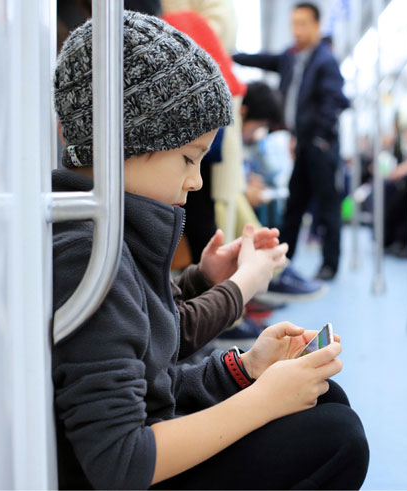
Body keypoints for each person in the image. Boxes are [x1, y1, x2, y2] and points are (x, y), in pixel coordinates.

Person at [52, 12, 368, 489]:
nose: (196, 180)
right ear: (129, 137)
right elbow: (120, 461)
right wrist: (261, 398)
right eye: (188, 157)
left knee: (326, 403)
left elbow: (151, 375)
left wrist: (244, 369)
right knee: (336, 436)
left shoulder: (106, 239)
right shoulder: (86, 259)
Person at [233, 2, 350, 281]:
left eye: (303, 24)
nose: (296, 30)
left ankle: (329, 264)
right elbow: (265, 60)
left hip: (320, 145)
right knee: (295, 205)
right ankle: (282, 262)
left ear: (317, 26)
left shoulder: (325, 61)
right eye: (293, 24)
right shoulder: (291, 57)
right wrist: (231, 56)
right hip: (301, 144)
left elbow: (334, 101)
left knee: (327, 205)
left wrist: (318, 136)